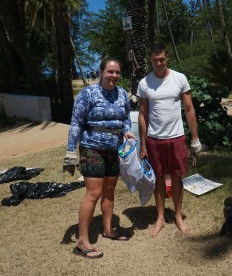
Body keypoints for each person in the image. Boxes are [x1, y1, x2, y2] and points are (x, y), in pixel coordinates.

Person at [63, 58, 137, 259]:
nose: (114, 76)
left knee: (110, 191)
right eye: (110, 71)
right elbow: (76, 122)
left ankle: (108, 230)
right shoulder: (88, 93)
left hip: (114, 150)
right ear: (101, 72)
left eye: (117, 72)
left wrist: (127, 131)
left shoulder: (122, 94)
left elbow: (126, 119)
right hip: (92, 148)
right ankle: (82, 242)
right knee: (93, 194)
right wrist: (70, 151)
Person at [137, 43, 202, 237]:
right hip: (154, 139)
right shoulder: (144, 83)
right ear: (150, 60)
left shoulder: (179, 78)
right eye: (155, 60)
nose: (159, 63)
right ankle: (160, 217)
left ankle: (178, 216)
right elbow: (142, 114)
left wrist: (195, 139)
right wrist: (143, 143)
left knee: (176, 178)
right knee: (158, 178)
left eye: (162, 59)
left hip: (176, 137)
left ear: (167, 58)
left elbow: (189, 109)